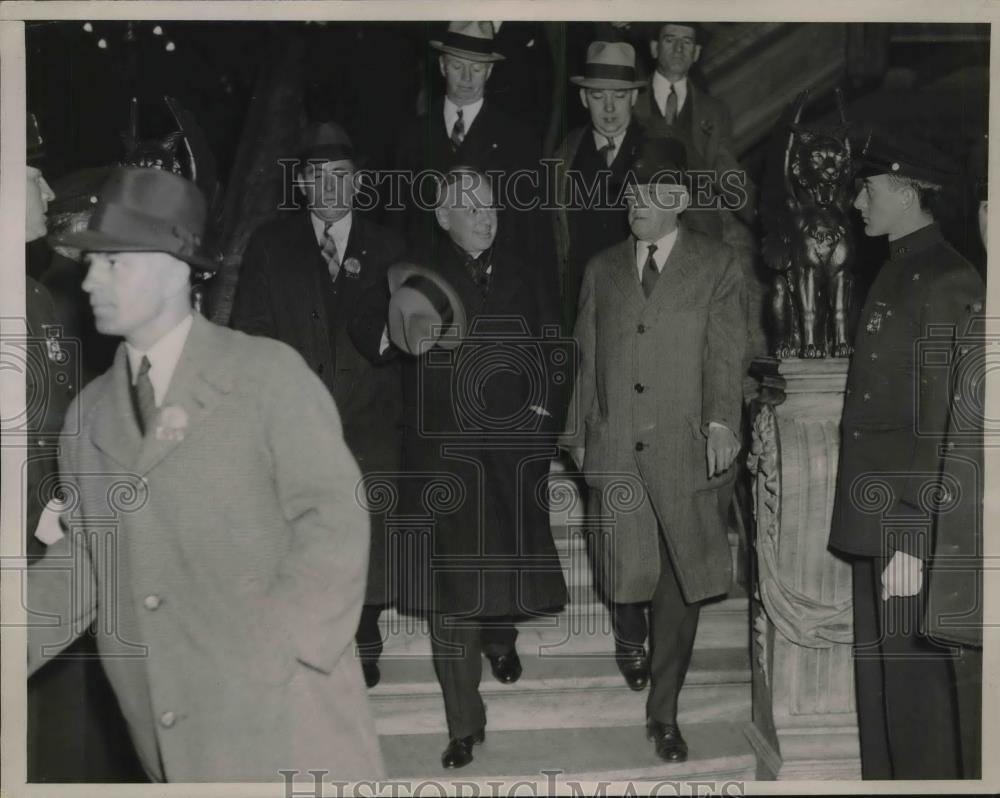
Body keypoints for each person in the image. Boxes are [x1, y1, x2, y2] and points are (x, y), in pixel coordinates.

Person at [26, 166, 383, 782]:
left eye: (113, 263)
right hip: (173, 745)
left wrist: (273, 650)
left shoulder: (266, 375)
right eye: (91, 262)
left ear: (174, 267)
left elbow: (334, 518)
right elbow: (90, 557)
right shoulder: (88, 416)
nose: (90, 281)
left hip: (288, 728)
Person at [359, 167, 569, 769]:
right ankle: (463, 724)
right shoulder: (414, 275)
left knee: (503, 568)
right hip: (444, 459)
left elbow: (556, 351)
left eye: (491, 206)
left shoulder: (526, 275)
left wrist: (543, 418)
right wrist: (394, 328)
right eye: (471, 207)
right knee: (453, 596)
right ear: (443, 217)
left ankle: (501, 640)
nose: (486, 216)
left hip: (512, 450)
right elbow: (366, 333)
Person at [561, 138, 746, 762]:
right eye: (630, 194)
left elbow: (726, 353)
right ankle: (626, 626)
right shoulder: (602, 268)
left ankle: (664, 712)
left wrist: (723, 422)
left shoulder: (717, 265)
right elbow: (585, 357)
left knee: (682, 581)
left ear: (680, 202)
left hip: (684, 447)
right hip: (614, 445)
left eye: (649, 195)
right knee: (626, 572)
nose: (635, 204)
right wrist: (579, 439)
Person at [827, 130, 985, 779]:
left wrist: (913, 537)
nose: (857, 201)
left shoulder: (947, 278)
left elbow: (945, 422)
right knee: (883, 692)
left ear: (900, 188)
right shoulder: (897, 266)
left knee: (917, 704)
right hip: (879, 518)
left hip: (906, 525)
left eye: (866, 188)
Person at [230, 121, 404, 688]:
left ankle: (366, 631)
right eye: (318, 176)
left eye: (342, 176)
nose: (331, 187)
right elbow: (249, 329)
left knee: (368, 526)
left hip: (369, 413)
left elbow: (411, 331)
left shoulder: (391, 247)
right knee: (303, 527)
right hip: (294, 417)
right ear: (302, 185)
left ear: (359, 183)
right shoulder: (269, 245)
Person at [393, 21, 557, 304]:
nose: (467, 77)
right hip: (429, 293)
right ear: (442, 65)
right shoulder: (412, 136)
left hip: (495, 292)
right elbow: (398, 225)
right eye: (458, 66)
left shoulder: (520, 139)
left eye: (477, 68)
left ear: (490, 71)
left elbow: (535, 234)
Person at [552, 40, 646, 334]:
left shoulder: (657, 151)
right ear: (583, 97)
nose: (608, 107)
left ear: (633, 97)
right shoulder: (563, 156)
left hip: (642, 307)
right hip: (579, 308)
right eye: (597, 95)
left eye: (618, 95)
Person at [633, 22, 756, 228]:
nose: (679, 49)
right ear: (654, 48)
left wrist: (761, 214)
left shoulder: (715, 111)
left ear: (696, 53)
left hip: (700, 231)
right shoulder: (630, 103)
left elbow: (727, 172)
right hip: (642, 222)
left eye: (687, 42)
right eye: (670, 39)